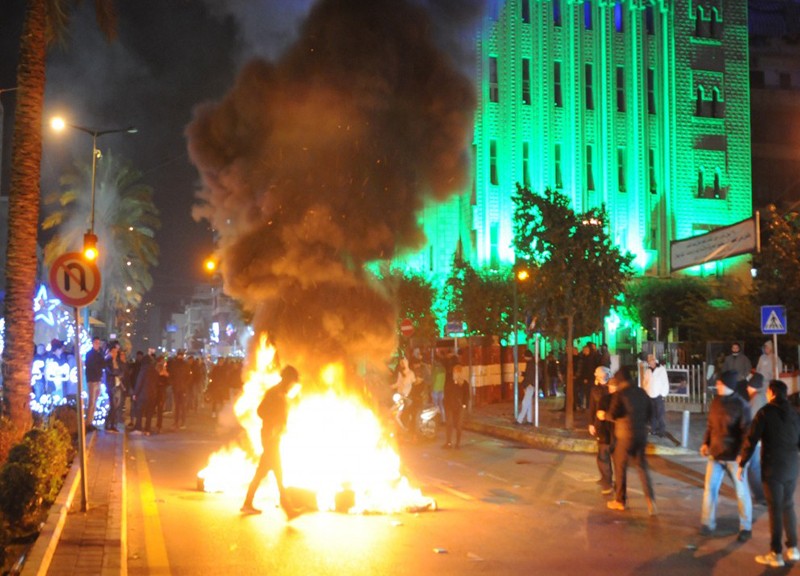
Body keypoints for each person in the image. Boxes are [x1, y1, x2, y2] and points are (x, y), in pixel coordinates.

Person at [738, 380, 800, 568]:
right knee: (788, 505)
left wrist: (743, 463)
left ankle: (776, 553)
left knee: (775, 509)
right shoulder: (794, 414)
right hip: (791, 466)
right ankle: (794, 548)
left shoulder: (765, 412)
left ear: (772, 392)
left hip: (772, 468)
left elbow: (751, 440)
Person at [241, 365, 303, 518]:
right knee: (277, 472)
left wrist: (281, 426)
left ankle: (248, 503)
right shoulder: (274, 393)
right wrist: (274, 424)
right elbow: (260, 411)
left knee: (263, 471)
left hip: (274, 437)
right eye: (292, 382)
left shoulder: (281, 393)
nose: (293, 385)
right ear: (287, 380)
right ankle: (287, 508)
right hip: (269, 438)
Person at [699, 370, 753, 542]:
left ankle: (746, 527)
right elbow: (710, 425)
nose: (718, 386)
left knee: (742, 493)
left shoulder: (742, 405)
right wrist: (706, 442)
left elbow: (746, 434)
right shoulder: (716, 402)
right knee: (710, 490)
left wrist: (741, 455)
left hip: (734, 457)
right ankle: (707, 523)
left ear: (729, 385)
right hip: (715, 454)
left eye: (721, 383)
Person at [599, 367, 657, 515]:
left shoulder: (620, 394)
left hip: (625, 436)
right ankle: (651, 501)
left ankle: (620, 501)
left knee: (620, 467)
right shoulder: (642, 392)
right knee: (642, 467)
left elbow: (613, 414)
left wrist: (603, 415)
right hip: (641, 435)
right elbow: (651, 412)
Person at [588, 366, 614, 495]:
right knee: (602, 454)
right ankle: (605, 478)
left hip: (611, 426)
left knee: (604, 454)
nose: (595, 374)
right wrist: (591, 423)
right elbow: (592, 407)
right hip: (600, 426)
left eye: (597, 372)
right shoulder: (595, 390)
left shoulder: (612, 389)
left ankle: (608, 482)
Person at [642, 353, 669, 437]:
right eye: (649, 360)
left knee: (660, 414)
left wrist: (663, 393)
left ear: (655, 360)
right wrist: (646, 391)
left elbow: (665, 382)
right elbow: (645, 382)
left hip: (658, 395)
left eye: (652, 360)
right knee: (652, 414)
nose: (651, 362)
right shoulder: (647, 371)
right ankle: (653, 430)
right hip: (650, 395)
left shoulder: (661, 369)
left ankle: (661, 431)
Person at [444, 362, 469, 449]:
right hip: (450, 406)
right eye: (454, 372)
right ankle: (448, 442)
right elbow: (446, 393)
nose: (455, 374)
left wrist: (464, 405)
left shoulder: (464, 384)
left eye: (457, 372)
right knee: (449, 424)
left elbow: (466, 395)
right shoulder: (449, 382)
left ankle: (457, 443)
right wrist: (446, 404)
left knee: (458, 425)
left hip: (459, 407)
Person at [84, 337, 105, 431]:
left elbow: (102, 364)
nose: (97, 344)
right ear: (92, 343)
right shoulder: (89, 354)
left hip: (98, 380)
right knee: (91, 402)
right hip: (92, 380)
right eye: (96, 343)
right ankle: (88, 423)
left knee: (94, 402)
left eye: (98, 343)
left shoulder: (99, 354)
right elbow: (91, 366)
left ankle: (90, 422)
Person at [103, 341, 124, 432]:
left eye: (116, 352)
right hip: (111, 386)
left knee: (116, 406)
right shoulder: (108, 361)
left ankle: (113, 424)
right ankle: (109, 424)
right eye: (114, 351)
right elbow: (111, 371)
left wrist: (118, 373)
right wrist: (117, 373)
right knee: (113, 406)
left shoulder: (118, 361)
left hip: (118, 385)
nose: (115, 353)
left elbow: (122, 372)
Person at [517, 349, 535, 425]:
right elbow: (529, 374)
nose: (524, 358)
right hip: (530, 384)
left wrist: (527, 383)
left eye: (524, 356)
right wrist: (522, 373)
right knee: (528, 403)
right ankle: (529, 420)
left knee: (525, 402)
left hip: (529, 385)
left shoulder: (531, 364)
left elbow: (530, 375)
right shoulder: (531, 363)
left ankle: (519, 420)